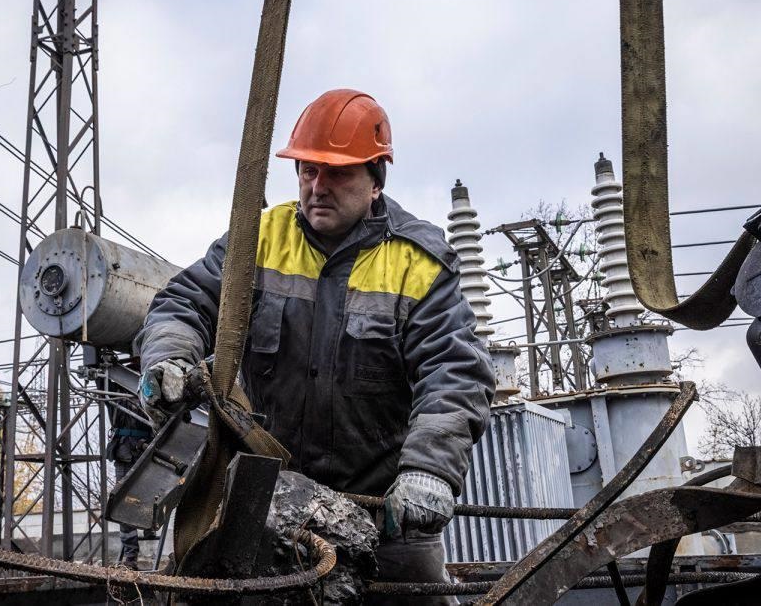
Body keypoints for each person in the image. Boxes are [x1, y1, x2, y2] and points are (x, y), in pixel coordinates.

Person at [135, 88, 495, 603]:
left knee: (415, 592)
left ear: (375, 181)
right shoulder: (258, 239)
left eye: (337, 172)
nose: (317, 187)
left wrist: (429, 470)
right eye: (308, 170)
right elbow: (184, 302)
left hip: (383, 505)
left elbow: (454, 370)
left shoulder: (418, 262)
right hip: (268, 495)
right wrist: (169, 356)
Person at [105, 392, 153, 570]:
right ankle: (131, 556)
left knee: (149, 498)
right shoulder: (116, 395)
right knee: (123, 504)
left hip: (147, 454)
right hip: (125, 453)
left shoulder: (150, 391)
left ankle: (149, 525)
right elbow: (104, 385)